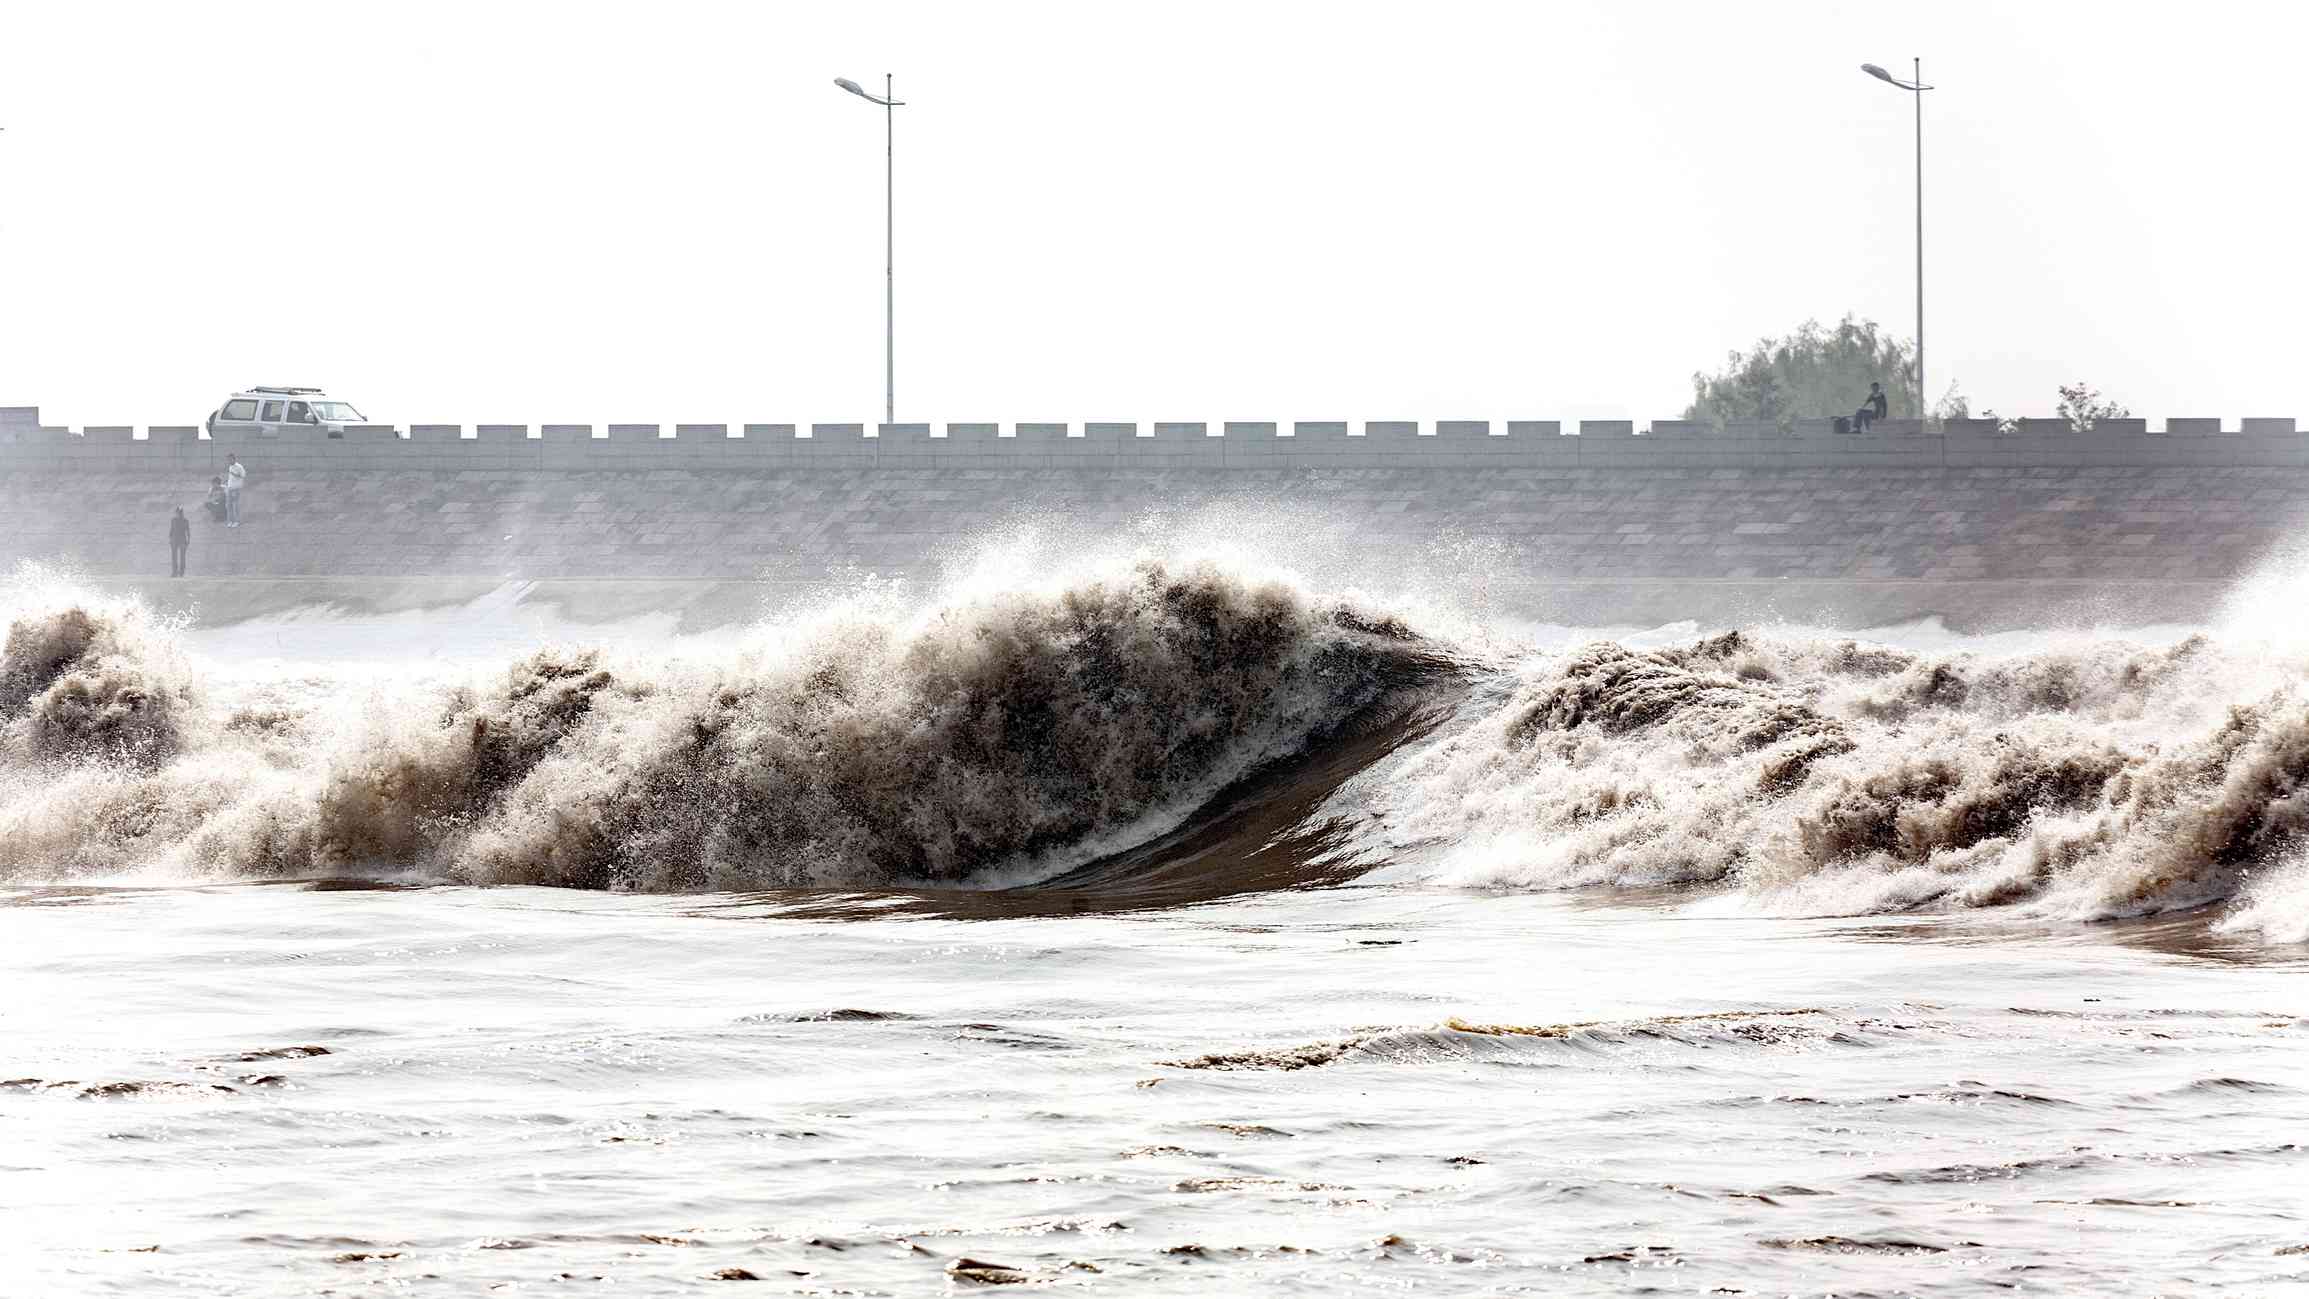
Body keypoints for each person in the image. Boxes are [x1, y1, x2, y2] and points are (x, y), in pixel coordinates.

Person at [225, 454, 246, 526]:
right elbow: (230, 477)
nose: (229, 461)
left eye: (230, 459)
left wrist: (234, 474)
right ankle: (230, 521)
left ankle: (236, 521)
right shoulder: (230, 466)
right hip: (230, 488)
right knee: (228, 505)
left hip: (236, 488)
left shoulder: (239, 467)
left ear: (234, 459)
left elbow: (243, 476)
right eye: (228, 460)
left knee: (235, 505)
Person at [169, 507, 191, 578]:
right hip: (175, 540)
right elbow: (171, 530)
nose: (179, 514)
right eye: (178, 512)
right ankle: (175, 572)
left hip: (181, 540)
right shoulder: (174, 520)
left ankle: (181, 572)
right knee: (175, 557)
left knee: (181, 557)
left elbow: (188, 531)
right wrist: (170, 539)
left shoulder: (185, 521)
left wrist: (188, 540)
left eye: (180, 512)